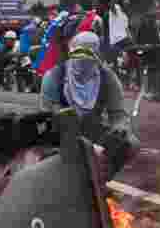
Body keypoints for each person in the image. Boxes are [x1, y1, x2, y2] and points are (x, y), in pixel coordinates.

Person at [40, 31, 140, 180]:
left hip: (92, 128)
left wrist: (118, 131)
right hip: (61, 132)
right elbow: (48, 115)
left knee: (131, 143)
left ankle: (100, 181)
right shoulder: (54, 76)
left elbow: (118, 114)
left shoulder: (107, 77)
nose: (82, 62)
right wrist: (82, 144)